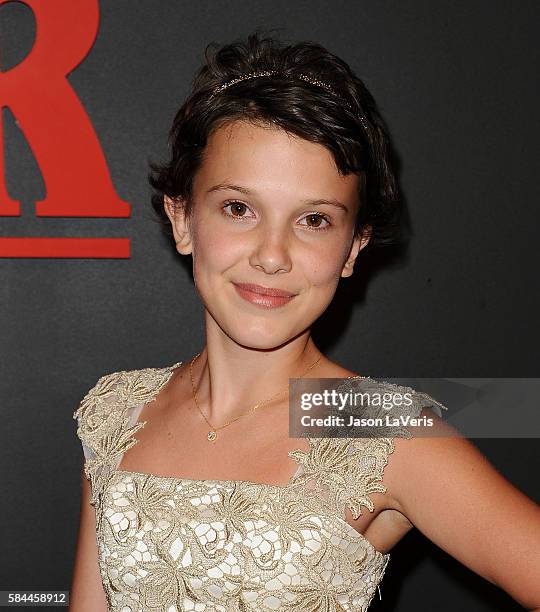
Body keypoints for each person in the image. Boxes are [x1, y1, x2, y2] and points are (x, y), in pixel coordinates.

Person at [69, 32, 540, 611]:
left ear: (353, 248)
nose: (272, 255)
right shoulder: (118, 409)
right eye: (239, 209)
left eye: (314, 220)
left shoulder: (376, 424)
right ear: (183, 217)